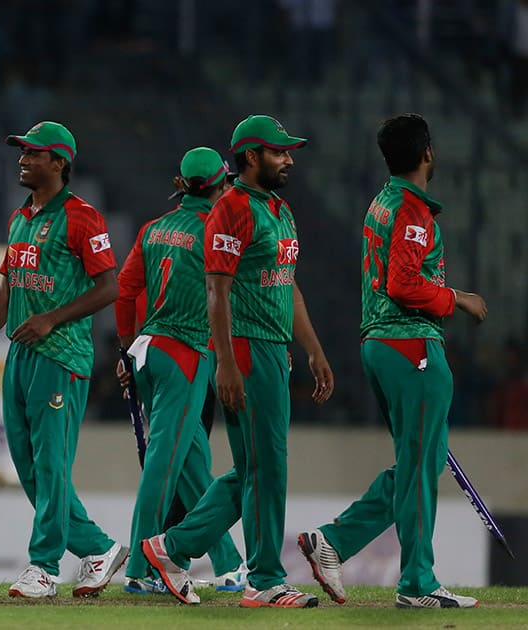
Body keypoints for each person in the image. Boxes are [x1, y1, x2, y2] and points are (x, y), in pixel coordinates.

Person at [141, 115, 334, 608]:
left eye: (288, 151)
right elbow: (216, 289)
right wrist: (225, 363)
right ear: (251, 157)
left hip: (273, 347)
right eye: (278, 152)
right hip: (245, 346)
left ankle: (172, 547)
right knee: (269, 468)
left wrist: (312, 349)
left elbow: (286, 284)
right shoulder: (231, 208)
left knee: (251, 467)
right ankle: (266, 579)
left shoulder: (280, 209)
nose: (289, 158)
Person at [297, 113, 487, 609]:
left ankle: (334, 543)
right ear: (427, 154)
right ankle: (418, 583)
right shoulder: (412, 211)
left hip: (380, 345)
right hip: (412, 347)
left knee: (415, 466)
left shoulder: (381, 202)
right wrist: (456, 299)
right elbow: (404, 284)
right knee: (421, 467)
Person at [0, 121, 128, 598]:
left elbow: (110, 287)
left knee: (51, 465)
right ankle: (99, 549)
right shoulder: (20, 217)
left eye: (33, 153)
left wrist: (52, 319)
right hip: (22, 356)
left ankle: (43, 568)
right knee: (28, 466)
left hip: (61, 355)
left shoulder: (83, 217)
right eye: (21, 152)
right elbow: (7, 293)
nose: (22, 159)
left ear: (59, 162)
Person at [115, 148, 246, 601]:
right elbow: (230, 296)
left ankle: (229, 564)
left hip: (148, 353)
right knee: (164, 464)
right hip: (187, 355)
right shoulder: (217, 229)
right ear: (220, 184)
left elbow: (127, 288)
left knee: (187, 462)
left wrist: (126, 347)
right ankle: (139, 567)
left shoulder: (155, 228)